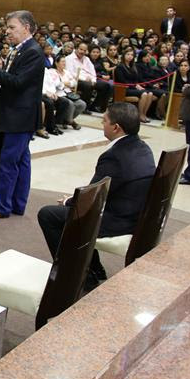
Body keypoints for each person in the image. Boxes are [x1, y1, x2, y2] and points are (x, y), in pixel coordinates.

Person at [37, 103, 155, 291]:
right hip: (137, 216)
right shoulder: (143, 147)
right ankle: (94, 268)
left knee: (49, 215)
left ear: (116, 127)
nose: (102, 124)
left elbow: (92, 196)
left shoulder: (114, 156)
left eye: (104, 121)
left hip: (119, 220)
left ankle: (77, 275)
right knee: (74, 211)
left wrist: (68, 201)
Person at [0, 11, 45, 219]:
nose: (7, 31)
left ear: (26, 27)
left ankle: (2, 207)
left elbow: (18, 83)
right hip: (19, 115)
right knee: (21, 161)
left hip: (19, 116)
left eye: (12, 27)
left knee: (8, 162)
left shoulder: (33, 52)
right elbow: (12, 79)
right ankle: (17, 204)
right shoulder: (21, 49)